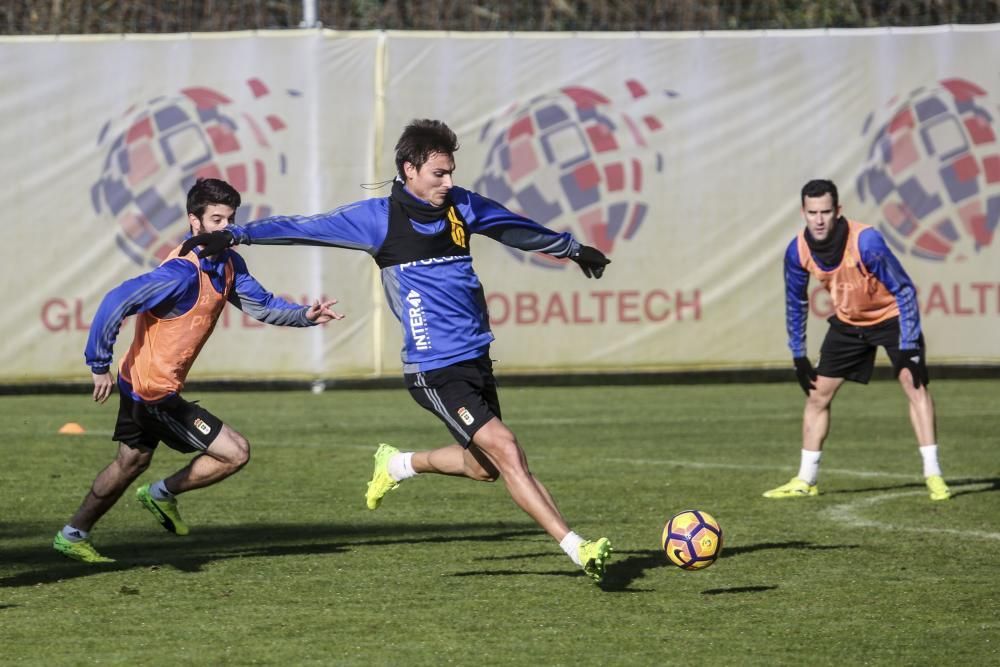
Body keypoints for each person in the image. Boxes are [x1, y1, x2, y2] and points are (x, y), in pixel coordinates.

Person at [182, 119, 615, 583]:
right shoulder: (377, 220)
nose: (448, 183)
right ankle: (577, 547)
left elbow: (514, 228)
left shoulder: (462, 206)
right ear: (409, 170)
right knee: (507, 450)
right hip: (434, 369)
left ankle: (398, 463)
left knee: (484, 466)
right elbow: (307, 227)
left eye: (451, 173)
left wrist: (573, 250)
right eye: (438, 174)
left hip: (475, 357)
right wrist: (236, 235)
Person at [53, 178, 344, 564]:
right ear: (195, 222)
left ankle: (72, 534)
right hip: (152, 392)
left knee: (130, 462)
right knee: (235, 452)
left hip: (141, 382)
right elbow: (116, 300)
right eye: (216, 219)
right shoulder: (181, 273)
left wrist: (304, 315)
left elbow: (262, 305)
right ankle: (161, 494)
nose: (225, 228)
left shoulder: (227, 263)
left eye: (230, 219)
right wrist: (98, 364)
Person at [763, 178, 951, 501]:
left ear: (838, 210)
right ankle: (806, 480)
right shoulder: (797, 250)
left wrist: (908, 347)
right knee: (817, 394)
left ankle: (933, 474)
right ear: (803, 212)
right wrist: (798, 354)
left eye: (825, 211)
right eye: (812, 213)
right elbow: (796, 302)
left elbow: (904, 290)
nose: (819, 220)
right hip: (849, 323)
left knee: (913, 383)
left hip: (892, 318)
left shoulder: (867, 242)